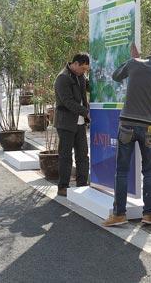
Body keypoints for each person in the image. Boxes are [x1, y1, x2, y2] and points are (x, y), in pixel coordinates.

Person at [103, 45, 151, 227]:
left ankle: (119, 215)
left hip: (127, 123)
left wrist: (131, 59)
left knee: (121, 170)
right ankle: (149, 214)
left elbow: (116, 76)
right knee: (149, 171)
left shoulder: (134, 63)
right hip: (148, 126)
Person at [54, 53, 91, 197]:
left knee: (83, 155)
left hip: (80, 123)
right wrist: (86, 112)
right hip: (65, 123)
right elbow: (67, 102)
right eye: (83, 69)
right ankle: (63, 186)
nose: (84, 72)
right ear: (75, 64)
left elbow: (89, 87)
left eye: (86, 70)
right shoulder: (63, 78)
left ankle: (82, 184)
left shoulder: (80, 76)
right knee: (65, 156)